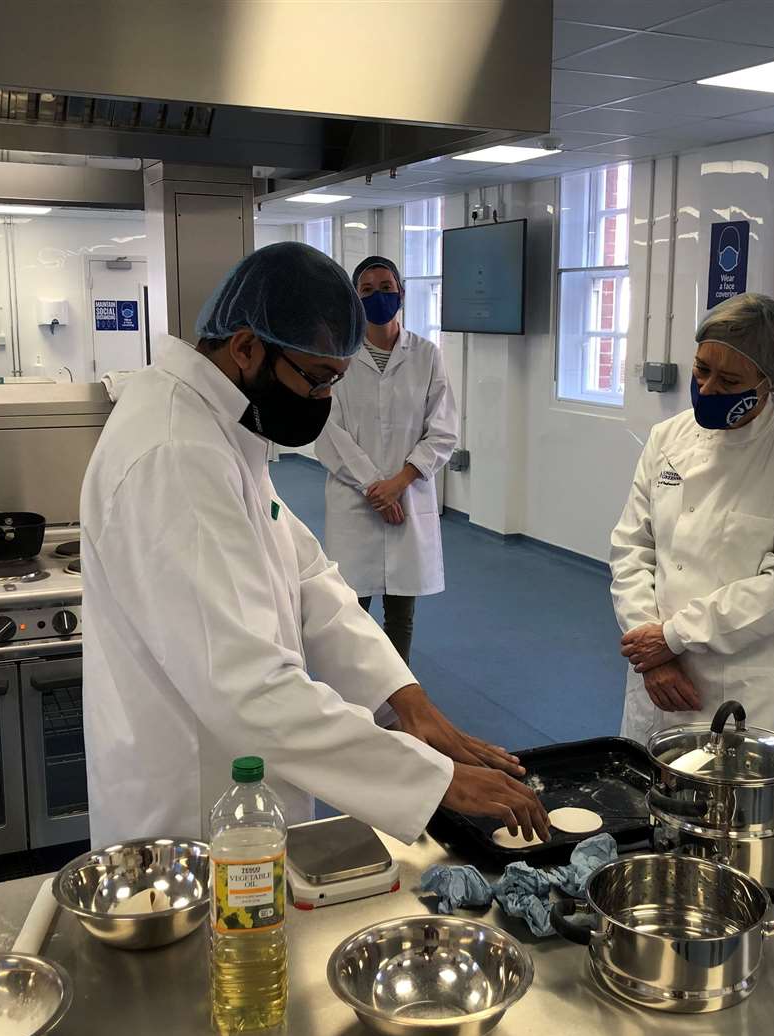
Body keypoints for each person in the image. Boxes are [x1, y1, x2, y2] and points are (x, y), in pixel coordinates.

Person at [79, 241, 548, 849]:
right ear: (246, 347)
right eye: (318, 379)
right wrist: (431, 780)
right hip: (187, 812)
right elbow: (249, 686)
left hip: (235, 792)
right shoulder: (175, 451)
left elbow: (307, 576)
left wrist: (403, 698)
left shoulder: (219, 424)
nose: (325, 400)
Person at [610, 293, 774, 742]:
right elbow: (632, 548)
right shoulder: (667, 437)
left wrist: (674, 636)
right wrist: (652, 650)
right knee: (645, 792)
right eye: (701, 370)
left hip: (745, 684)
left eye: (730, 380)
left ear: (768, 382)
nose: (709, 388)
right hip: (658, 670)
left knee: (736, 807)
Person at [315, 256, 457, 660]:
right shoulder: (338, 356)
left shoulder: (427, 355)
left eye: (386, 287)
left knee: (401, 615)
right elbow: (328, 428)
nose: (379, 296)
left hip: (406, 496)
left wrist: (398, 485)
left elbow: (443, 429)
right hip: (356, 501)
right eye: (368, 290)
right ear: (355, 299)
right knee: (352, 609)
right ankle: (357, 693)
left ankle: (398, 700)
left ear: (402, 293)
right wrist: (375, 487)